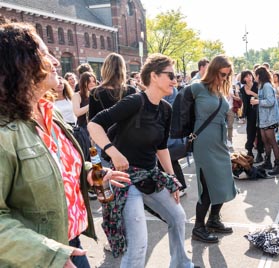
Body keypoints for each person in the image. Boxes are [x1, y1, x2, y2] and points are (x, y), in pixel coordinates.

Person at [0, 21, 129, 267]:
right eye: (44, 53)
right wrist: (48, 255)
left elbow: (56, 164)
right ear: (19, 63)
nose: (56, 61)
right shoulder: (4, 132)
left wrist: (90, 173)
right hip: (37, 258)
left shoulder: (50, 112)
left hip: (71, 243)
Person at [88, 53, 195, 268]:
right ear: (154, 76)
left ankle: (182, 264)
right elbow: (94, 124)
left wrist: (172, 179)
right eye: (171, 75)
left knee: (177, 216)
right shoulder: (135, 101)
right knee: (138, 245)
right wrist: (113, 152)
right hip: (125, 180)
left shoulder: (166, 108)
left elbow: (161, 147)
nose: (176, 80)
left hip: (150, 176)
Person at [189, 55, 237, 243]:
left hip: (219, 142)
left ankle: (214, 220)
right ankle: (198, 227)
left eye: (227, 75)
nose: (224, 77)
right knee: (207, 186)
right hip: (203, 142)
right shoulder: (196, 87)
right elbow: (181, 113)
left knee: (224, 181)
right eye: (222, 73)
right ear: (213, 70)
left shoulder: (219, 90)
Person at [252, 66, 279, 176]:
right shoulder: (261, 86)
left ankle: (278, 165)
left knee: (272, 141)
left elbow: (270, 102)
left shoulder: (266, 86)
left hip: (270, 118)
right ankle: (267, 162)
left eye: (254, 75)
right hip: (264, 119)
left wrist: (257, 102)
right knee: (266, 141)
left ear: (259, 75)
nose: (254, 77)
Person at [239, 70, 265, 163]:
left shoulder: (257, 85)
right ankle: (249, 151)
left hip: (258, 112)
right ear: (243, 78)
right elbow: (244, 103)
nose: (249, 77)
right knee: (250, 132)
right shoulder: (242, 89)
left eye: (250, 75)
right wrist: (242, 114)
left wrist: (251, 93)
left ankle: (260, 153)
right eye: (246, 76)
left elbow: (262, 97)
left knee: (259, 132)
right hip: (249, 113)